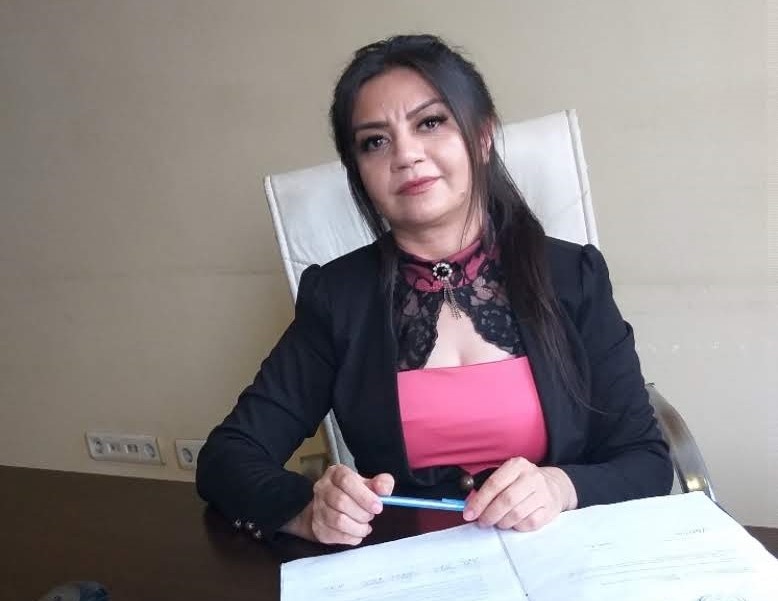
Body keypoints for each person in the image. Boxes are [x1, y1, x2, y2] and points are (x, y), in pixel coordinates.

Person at [196, 34, 672, 546]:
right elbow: (227, 458)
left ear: (482, 136)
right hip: (412, 563)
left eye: (430, 122)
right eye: (374, 142)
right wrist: (308, 509)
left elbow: (645, 461)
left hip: (563, 555)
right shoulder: (337, 298)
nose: (405, 154)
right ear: (359, 172)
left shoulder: (572, 276)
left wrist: (560, 486)